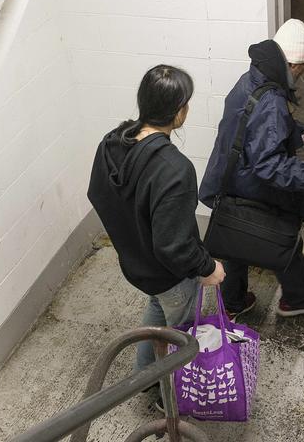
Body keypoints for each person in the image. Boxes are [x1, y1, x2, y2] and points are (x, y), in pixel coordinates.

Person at [87, 65, 225, 378]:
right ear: (178, 113)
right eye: (186, 104)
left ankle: (142, 378)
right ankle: (170, 397)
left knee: (157, 310)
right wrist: (207, 268)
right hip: (170, 275)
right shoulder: (174, 169)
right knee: (181, 338)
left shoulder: (111, 144)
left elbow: (98, 194)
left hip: (138, 266)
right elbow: (173, 246)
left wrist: (132, 241)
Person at [199, 19, 304, 318]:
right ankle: (299, 299)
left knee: (233, 239)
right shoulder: (273, 101)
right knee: (286, 235)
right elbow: (270, 166)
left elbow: (256, 128)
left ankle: (235, 304)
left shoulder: (251, 78)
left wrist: (301, 132)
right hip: (248, 182)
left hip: (226, 178)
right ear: (294, 64)